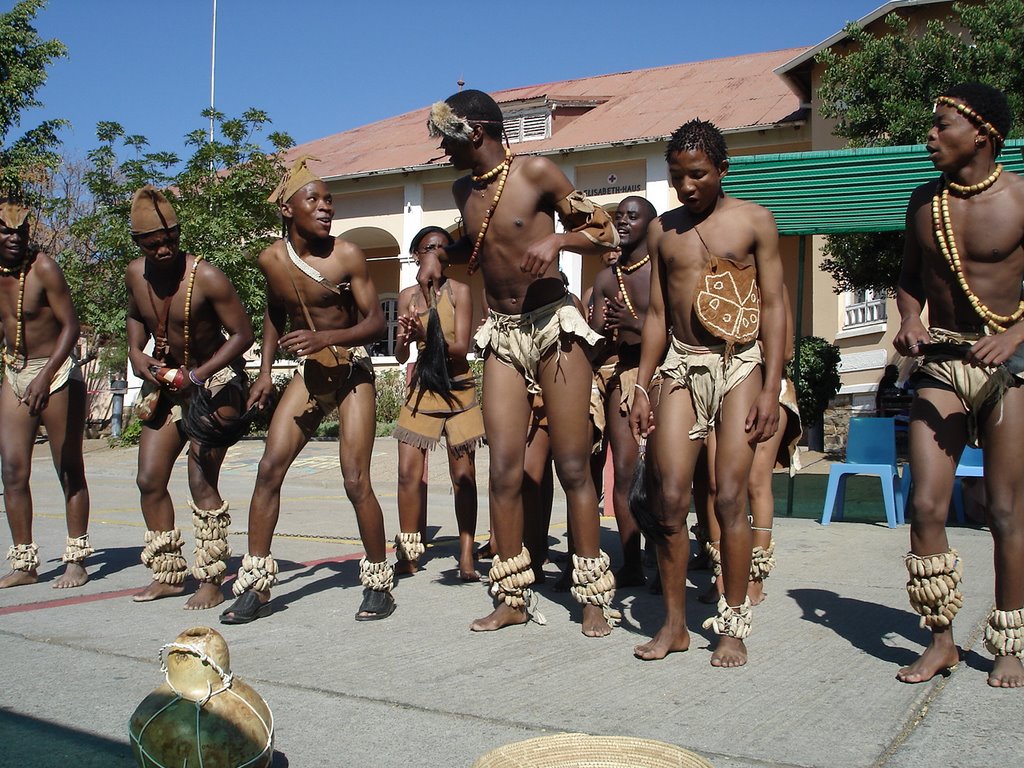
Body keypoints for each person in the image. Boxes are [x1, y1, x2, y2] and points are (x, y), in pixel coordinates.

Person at [419, 89, 621, 635]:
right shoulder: (464, 189)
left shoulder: (535, 173)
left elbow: (605, 229)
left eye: (448, 139)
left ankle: (592, 597)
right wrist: (438, 259)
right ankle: (511, 596)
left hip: (555, 326)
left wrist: (559, 240)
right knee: (504, 471)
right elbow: (477, 239)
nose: (443, 151)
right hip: (503, 335)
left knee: (574, 466)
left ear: (474, 132)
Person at [629, 118, 785, 666]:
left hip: (740, 365)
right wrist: (642, 384)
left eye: (697, 175)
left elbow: (774, 306)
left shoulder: (754, 221)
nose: (687, 187)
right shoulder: (662, 231)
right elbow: (655, 314)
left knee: (728, 497)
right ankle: (674, 625)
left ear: (722, 169)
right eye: (677, 177)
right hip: (680, 364)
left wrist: (772, 386)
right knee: (669, 498)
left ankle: (732, 624)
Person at [220, 158, 394, 624]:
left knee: (355, 480)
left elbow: (376, 323)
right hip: (309, 375)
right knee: (268, 468)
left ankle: (379, 581)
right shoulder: (271, 259)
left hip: (352, 372)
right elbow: (276, 313)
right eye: (312, 199)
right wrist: (264, 371)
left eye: (328, 199)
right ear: (287, 210)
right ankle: (256, 585)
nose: (324, 208)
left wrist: (327, 338)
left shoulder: (348, 256)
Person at [894, 82, 1024, 688]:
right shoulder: (924, 202)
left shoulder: (1021, 197)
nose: (930, 136)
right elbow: (909, 279)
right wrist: (911, 319)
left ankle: (1008, 642)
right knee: (925, 503)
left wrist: (1016, 333)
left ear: (981, 133)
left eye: (942, 125)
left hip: (1008, 369)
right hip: (941, 363)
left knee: (1004, 511)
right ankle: (941, 639)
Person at [125, 186, 254, 609]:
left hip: (214, 380)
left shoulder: (208, 276)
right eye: (153, 243)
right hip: (167, 384)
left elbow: (243, 334)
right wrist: (135, 352)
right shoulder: (134, 275)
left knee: (201, 479)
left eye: (171, 240)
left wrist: (197, 374)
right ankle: (167, 573)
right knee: (149, 479)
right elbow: (134, 316)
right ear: (138, 243)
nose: (164, 249)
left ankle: (213, 578)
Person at [0, 198, 91, 589]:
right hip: (15, 371)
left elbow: (71, 327)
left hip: (54, 373)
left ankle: (76, 558)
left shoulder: (44, 268)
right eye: (5, 231)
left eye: (20, 232)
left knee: (67, 467)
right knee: (13, 470)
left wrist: (45, 376)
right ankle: (24, 562)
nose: (14, 238)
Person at [393, 226, 484, 581]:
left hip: (458, 388)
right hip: (423, 389)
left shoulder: (460, 291)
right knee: (407, 475)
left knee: (463, 475)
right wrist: (407, 337)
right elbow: (401, 352)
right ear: (416, 254)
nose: (436, 252)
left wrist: (426, 331)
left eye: (443, 248)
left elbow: (461, 348)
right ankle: (409, 550)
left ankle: (466, 552)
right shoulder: (406, 297)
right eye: (429, 247)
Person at [699, 288, 801, 607]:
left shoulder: (772, 286)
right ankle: (722, 573)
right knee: (716, 485)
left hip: (768, 390)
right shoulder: (716, 282)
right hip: (720, 391)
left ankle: (755, 575)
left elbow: (783, 352)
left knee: (757, 483)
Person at [589, 195, 657, 587]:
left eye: (634, 216)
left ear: (651, 224)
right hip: (621, 374)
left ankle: (666, 560)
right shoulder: (605, 278)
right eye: (620, 217)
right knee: (626, 471)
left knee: (665, 473)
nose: (625, 222)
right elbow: (598, 336)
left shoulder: (664, 270)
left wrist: (634, 322)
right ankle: (631, 563)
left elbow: (674, 326)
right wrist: (606, 328)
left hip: (665, 373)